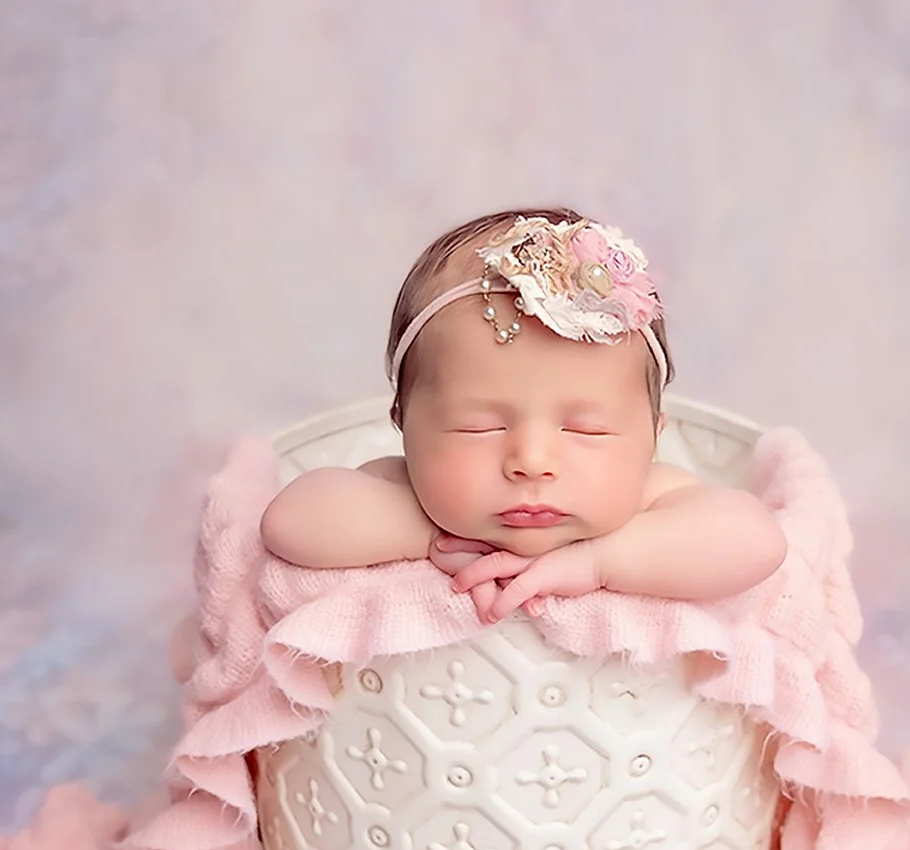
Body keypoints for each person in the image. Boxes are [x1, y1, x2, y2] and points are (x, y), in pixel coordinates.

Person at [259, 206, 787, 622]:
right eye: (479, 427)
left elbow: (757, 542)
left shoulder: (655, 498)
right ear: (403, 424)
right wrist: (425, 535)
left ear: (652, 435)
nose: (531, 461)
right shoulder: (406, 493)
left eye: (588, 429)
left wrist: (600, 562)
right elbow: (288, 523)